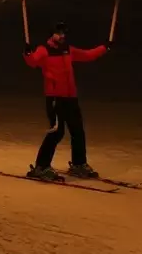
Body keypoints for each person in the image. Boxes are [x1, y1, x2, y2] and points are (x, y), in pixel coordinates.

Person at [23, 22, 111, 181]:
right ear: (52, 34)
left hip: (71, 97)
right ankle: (41, 166)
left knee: (77, 130)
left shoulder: (67, 50)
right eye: (59, 33)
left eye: (64, 33)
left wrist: (104, 47)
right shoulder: (44, 50)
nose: (62, 36)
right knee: (57, 132)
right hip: (55, 97)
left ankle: (79, 164)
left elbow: (87, 55)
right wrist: (28, 54)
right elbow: (33, 61)